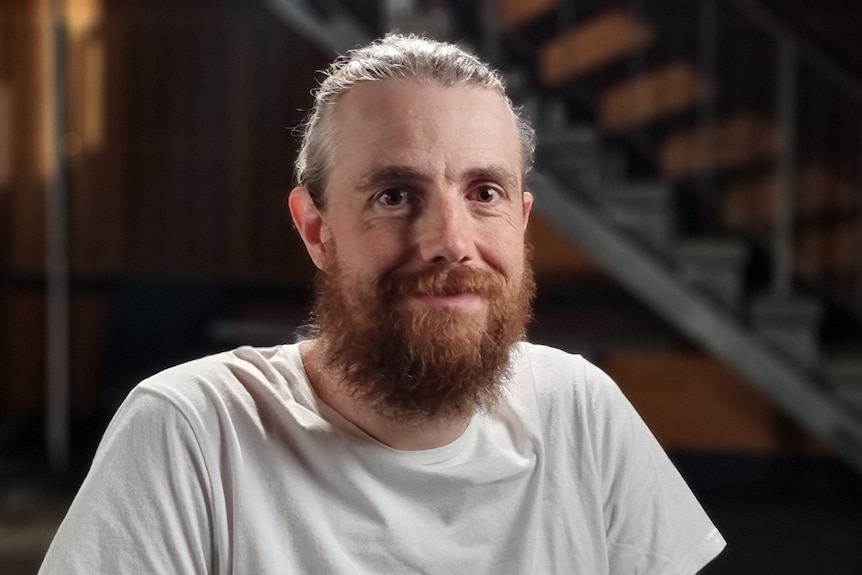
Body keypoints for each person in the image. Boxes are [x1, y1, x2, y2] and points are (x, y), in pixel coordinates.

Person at [40, 33, 725, 574]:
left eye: (484, 193)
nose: (451, 242)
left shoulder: (582, 409)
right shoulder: (194, 431)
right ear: (317, 229)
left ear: (519, 221)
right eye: (395, 194)